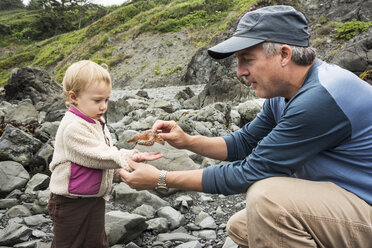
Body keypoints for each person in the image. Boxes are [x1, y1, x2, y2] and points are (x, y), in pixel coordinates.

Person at [119, 5, 372, 248]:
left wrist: (161, 179)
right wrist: (186, 141)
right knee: (242, 226)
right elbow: (244, 143)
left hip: (364, 204)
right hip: (346, 197)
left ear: (284, 54)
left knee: (268, 200)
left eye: (247, 60)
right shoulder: (284, 93)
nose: (240, 72)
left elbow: (251, 171)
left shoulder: (321, 97)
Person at [48, 60, 162, 248]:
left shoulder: (94, 121)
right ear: (74, 97)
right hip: (69, 201)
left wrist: (123, 166)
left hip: (93, 198)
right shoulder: (73, 127)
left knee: (96, 242)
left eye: (106, 100)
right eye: (97, 100)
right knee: (68, 243)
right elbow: (95, 155)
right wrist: (127, 158)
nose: (103, 106)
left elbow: (99, 161)